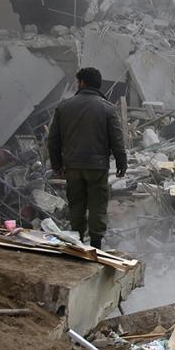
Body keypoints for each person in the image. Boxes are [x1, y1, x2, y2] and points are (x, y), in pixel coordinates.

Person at [47, 67, 127, 249]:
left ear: (82, 83)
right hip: (97, 167)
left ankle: (77, 244)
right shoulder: (108, 108)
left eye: (78, 82)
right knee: (97, 205)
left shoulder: (64, 107)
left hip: (73, 166)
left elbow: (53, 140)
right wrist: (122, 162)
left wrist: (56, 164)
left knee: (77, 205)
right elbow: (117, 139)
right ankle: (96, 246)